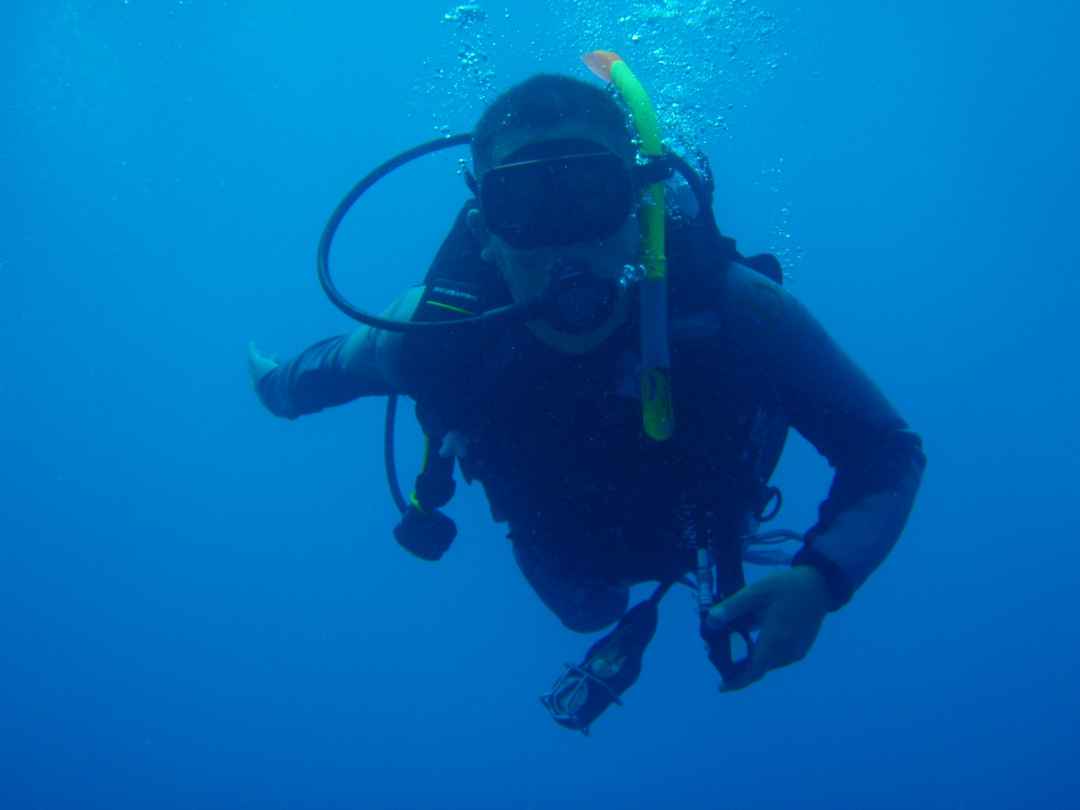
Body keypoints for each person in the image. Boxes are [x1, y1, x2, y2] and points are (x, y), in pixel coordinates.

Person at [248, 72, 925, 716]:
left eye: (590, 195)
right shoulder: (430, 335)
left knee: (602, 601)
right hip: (560, 545)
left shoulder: (736, 312)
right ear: (485, 233)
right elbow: (319, 373)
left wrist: (819, 579)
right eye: (526, 207)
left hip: (704, 519)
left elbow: (886, 452)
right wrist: (274, 386)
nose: (565, 245)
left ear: (637, 208)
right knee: (587, 610)